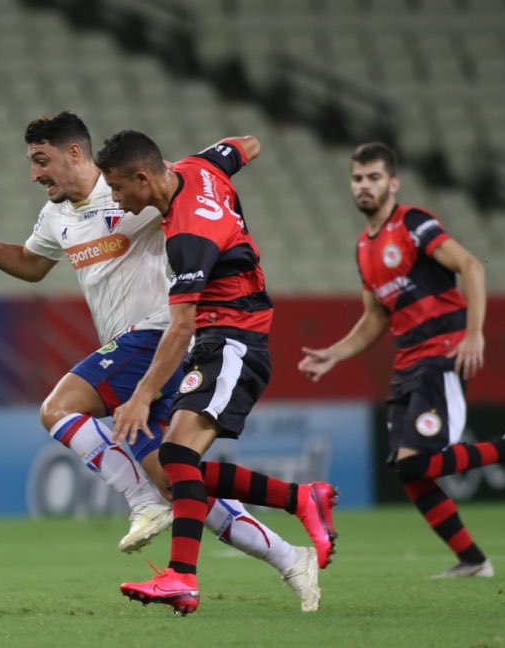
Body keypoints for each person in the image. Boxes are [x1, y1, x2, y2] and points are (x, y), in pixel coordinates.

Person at [0, 112, 323, 611]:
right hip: (134, 352)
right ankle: (293, 559)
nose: (34, 174)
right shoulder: (56, 217)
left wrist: (213, 172)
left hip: (159, 335)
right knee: (182, 483)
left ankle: (141, 505)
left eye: (41, 160)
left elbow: (196, 176)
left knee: (57, 409)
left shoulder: (133, 190)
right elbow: (31, 266)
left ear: (76, 153)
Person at [96, 129, 339, 616]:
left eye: (120, 189)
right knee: (177, 464)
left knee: (177, 457)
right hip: (221, 339)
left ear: (144, 177)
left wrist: (143, 394)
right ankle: (301, 498)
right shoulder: (200, 168)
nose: (117, 200)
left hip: (233, 339)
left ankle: (183, 579)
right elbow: (248, 144)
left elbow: (181, 325)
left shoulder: (188, 236)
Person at [298, 141, 505, 578]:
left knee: (415, 461)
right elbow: (375, 316)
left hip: (443, 353)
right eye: (358, 178)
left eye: (374, 177)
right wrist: (334, 354)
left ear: (392, 183)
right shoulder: (364, 247)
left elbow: (471, 266)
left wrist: (474, 334)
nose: (364, 186)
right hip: (407, 362)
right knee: (409, 470)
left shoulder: (414, 224)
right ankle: (473, 560)